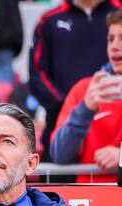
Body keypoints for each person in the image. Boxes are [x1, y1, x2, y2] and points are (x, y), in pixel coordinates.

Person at [29, 0, 121, 159]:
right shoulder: (50, 19)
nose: (114, 46)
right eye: (110, 39)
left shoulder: (117, 9)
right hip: (62, 122)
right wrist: (78, 106)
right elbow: (37, 75)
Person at [50, 10, 122, 182]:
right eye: (111, 39)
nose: (115, 46)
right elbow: (59, 154)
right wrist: (85, 108)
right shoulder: (85, 90)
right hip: (94, 202)